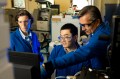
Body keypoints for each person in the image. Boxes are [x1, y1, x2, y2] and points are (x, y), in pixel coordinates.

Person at [43, 5, 111, 74]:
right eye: (81, 25)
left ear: (97, 22)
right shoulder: (97, 30)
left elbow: (82, 54)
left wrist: (52, 64)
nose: (83, 29)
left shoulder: (101, 35)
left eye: (85, 25)